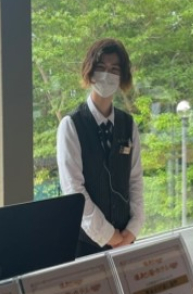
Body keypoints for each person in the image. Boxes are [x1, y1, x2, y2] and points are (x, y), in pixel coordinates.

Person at [57, 38, 144, 257]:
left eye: (114, 69)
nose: (107, 75)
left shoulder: (128, 124)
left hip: (125, 239)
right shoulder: (71, 125)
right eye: (101, 67)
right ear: (89, 71)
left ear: (122, 76)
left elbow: (135, 180)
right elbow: (73, 190)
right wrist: (108, 235)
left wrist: (133, 229)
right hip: (86, 243)